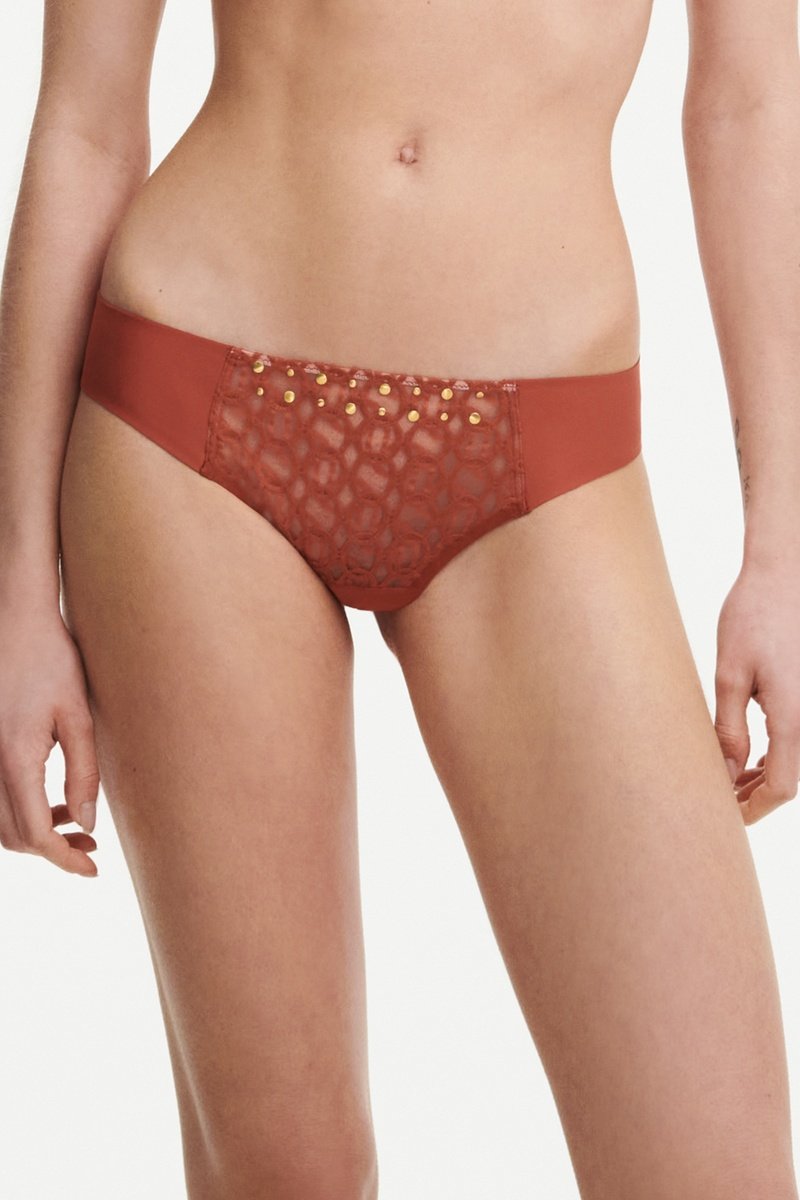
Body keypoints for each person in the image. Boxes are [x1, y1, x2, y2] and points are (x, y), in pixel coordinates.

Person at [0, 1, 798, 1197]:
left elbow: (749, 100)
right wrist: (17, 597)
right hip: (194, 409)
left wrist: (780, 545)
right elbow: (84, 122)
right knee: (289, 1175)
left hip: (546, 451)